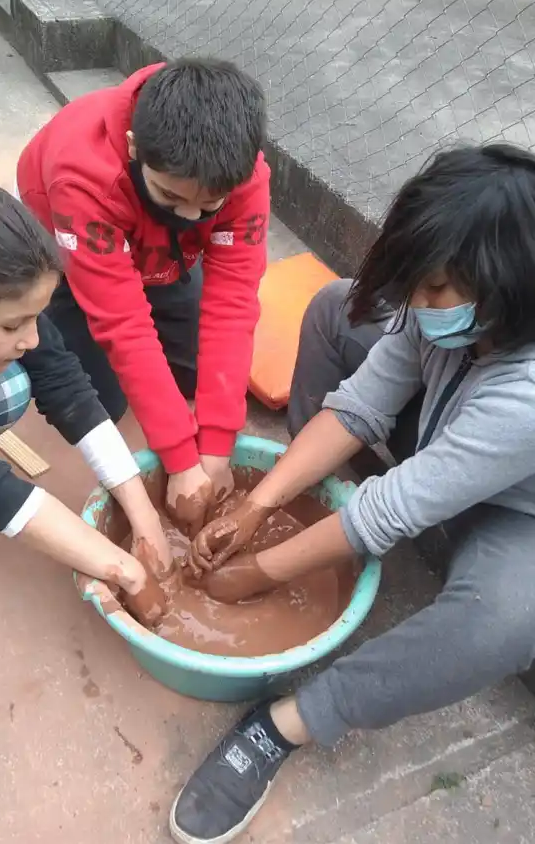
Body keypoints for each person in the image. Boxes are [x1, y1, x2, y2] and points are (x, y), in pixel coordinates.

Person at [168, 143, 535, 844]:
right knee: (337, 306)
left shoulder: (526, 390)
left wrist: (255, 572)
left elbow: (393, 508)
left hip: (513, 509)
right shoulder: (450, 308)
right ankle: (322, 503)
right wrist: (259, 507)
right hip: (446, 433)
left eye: (435, 291)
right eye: (416, 282)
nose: (419, 303)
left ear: (508, 287)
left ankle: (284, 726)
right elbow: (365, 402)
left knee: (506, 619)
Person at [16, 57, 270, 539]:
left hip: (161, 255)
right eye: (172, 199)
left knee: (200, 375)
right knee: (102, 399)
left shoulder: (242, 173)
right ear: (135, 148)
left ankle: (159, 258)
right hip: (72, 248)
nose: (192, 213)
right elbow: (123, 322)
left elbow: (233, 303)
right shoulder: (81, 174)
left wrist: (215, 449)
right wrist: (178, 457)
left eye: (208, 206)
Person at [0, 182, 173, 625]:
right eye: (12, 326)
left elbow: (63, 381)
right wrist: (121, 569)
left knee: (12, 381)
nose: (33, 336)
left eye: (35, 316)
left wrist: (144, 514)